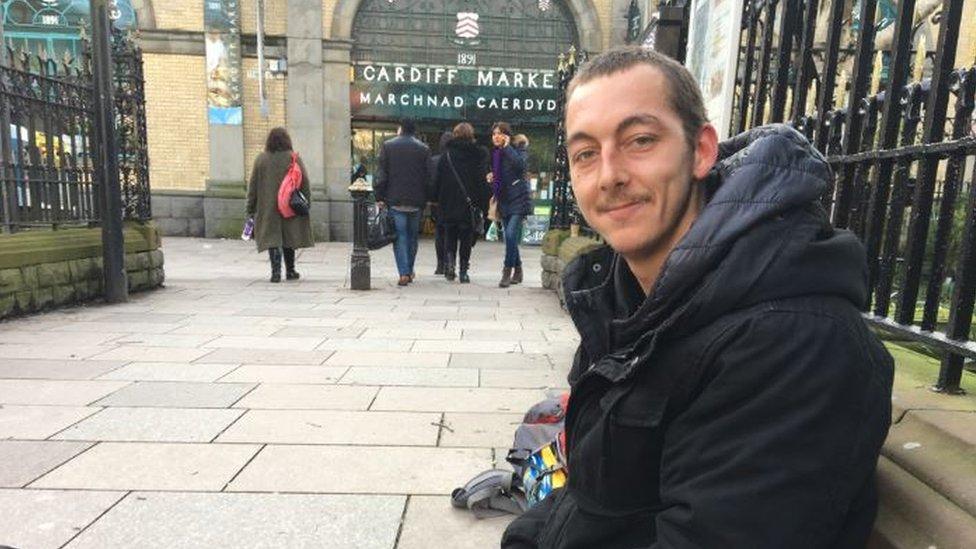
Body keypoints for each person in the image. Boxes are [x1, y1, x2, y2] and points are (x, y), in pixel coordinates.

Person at [501, 47, 894, 548]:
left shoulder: (793, 341)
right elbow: (590, 493)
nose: (609, 175)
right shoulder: (627, 303)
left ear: (702, 150)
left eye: (639, 141)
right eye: (585, 154)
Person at [246, 127, 314, 283]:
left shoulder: (261, 160)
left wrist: (250, 209)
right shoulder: (293, 158)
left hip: (268, 207)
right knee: (289, 237)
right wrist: (307, 203)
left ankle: (275, 272)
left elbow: (253, 187)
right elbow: (305, 183)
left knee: (272, 238)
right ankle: (290, 270)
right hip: (289, 205)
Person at [374, 118, 431, 286]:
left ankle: (404, 272)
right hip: (416, 201)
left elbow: (381, 174)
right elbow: (428, 178)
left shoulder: (388, 146)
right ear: (414, 131)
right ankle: (409, 269)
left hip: (395, 199)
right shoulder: (424, 149)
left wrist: (379, 196)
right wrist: (427, 198)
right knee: (413, 237)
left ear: (400, 129)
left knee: (400, 237)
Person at [432, 122, 490, 283]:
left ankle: (450, 265)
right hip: (469, 204)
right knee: (466, 237)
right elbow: (481, 181)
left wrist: (435, 199)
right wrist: (483, 203)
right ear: (471, 136)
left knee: (450, 235)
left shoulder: (447, 155)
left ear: (455, 135)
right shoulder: (477, 155)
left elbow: (437, 180)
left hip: (448, 202)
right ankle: (464, 271)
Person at [488, 122, 532, 288]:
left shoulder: (518, 148)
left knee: (512, 235)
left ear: (507, 135)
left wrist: (507, 148)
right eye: (493, 134)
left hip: (519, 198)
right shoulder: (496, 154)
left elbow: (520, 166)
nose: (496, 137)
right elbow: (503, 175)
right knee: (509, 237)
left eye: (499, 133)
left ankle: (507, 271)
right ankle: (519, 269)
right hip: (504, 200)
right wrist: (493, 177)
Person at [429, 131, 454, 275]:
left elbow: (432, 182)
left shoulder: (434, 160)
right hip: (453, 201)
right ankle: (449, 262)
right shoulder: (457, 159)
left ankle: (440, 264)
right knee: (451, 232)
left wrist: (432, 200)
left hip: (438, 203)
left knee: (439, 232)